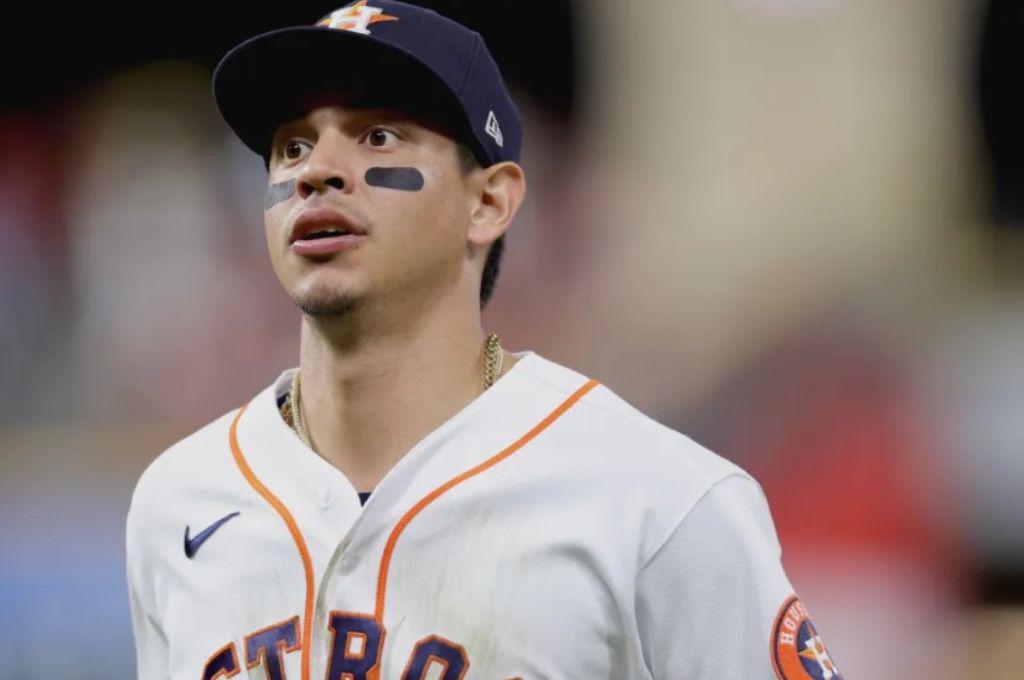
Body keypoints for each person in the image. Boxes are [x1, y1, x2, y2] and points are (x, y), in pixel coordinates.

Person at [125, 2, 842, 678]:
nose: (316, 171)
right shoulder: (179, 502)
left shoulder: (659, 501)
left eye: (378, 136)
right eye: (293, 146)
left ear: (489, 201)